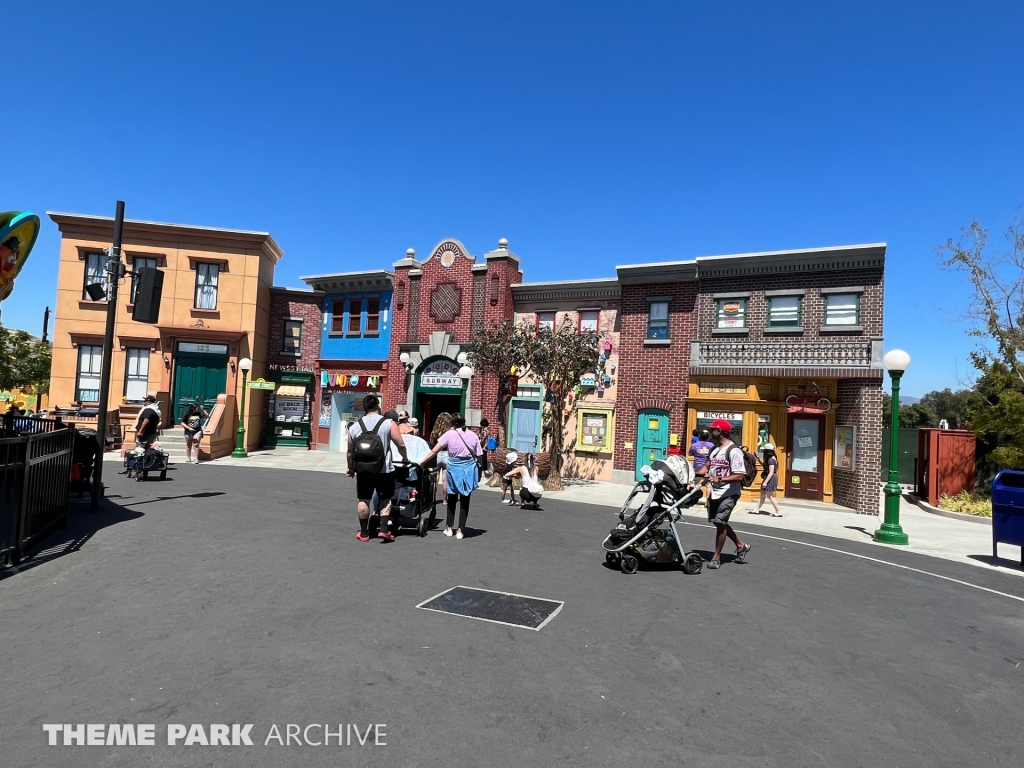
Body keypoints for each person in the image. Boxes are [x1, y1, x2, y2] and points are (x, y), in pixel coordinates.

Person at [347, 395, 409, 542]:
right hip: (384, 469)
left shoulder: (356, 426)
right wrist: (405, 458)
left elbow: (350, 451)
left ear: (364, 408)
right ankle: (384, 530)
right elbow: (400, 444)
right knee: (386, 499)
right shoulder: (388, 423)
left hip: (363, 469)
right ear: (378, 406)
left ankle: (363, 533)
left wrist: (351, 467)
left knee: (364, 499)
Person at [418, 413, 482, 539]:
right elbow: (479, 455)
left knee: (452, 497)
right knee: (465, 499)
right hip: (468, 468)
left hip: (454, 467)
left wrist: (421, 463)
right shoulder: (473, 435)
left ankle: (449, 527)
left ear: (452, 423)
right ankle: (461, 530)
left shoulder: (449, 434)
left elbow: (434, 450)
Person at [703, 418, 752, 570]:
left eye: (713, 429)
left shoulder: (734, 451)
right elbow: (705, 468)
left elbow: (740, 475)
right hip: (715, 491)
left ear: (720, 431)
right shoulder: (714, 450)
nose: (710, 432)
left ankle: (716, 558)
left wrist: (719, 478)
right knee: (718, 522)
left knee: (721, 522)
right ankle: (741, 545)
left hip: (729, 492)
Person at [751, 443, 782, 517]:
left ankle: (778, 511)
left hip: (770, 478)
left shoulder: (771, 460)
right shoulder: (772, 458)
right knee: (762, 494)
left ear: (767, 451)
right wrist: (759, 461)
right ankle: (756, 509)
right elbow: (767, 467)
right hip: (768, 477)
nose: (763, 452)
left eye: (764, 451)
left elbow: (771, 472)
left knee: (769, 495)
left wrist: (765, 482)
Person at [430, 412, 453, 505]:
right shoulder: (450, 432)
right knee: (445, 480)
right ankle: (444, 500)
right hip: (447, 454)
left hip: (437, 454)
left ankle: (433, 499)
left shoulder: (435, 431)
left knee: (435, 478)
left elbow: (432, 443)